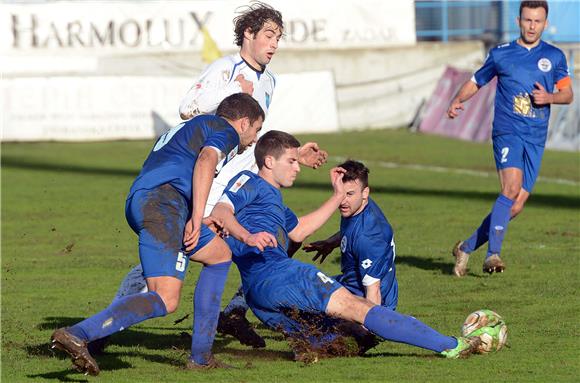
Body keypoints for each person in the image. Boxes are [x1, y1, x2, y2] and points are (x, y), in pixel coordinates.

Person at [110, 2, 327, 350]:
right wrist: (229, 92)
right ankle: (110, 323)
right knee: (172, 252)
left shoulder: (270, 81)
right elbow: (187, 109)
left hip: (242, 185)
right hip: (209, 181)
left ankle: (236, 311)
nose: (274, 44)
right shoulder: (225, 69)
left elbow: (252, 135)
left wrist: (292, 154)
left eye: (278, 37)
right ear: (248, 35)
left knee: (281, 236)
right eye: (268, 35)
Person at [211, 130, 498, 361]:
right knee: (359, 310)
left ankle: (320, 347)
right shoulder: (247, 181)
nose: (299, 168)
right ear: (270, 162)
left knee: (328, 338)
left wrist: (334, 203)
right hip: (282, 275)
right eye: (292, 161)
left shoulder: (274, 203)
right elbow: (221, 213)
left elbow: (298, 230)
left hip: (257, 296)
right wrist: (247, 237)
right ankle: (452, 345)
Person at [50, 93, 264, 375]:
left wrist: (197, 217)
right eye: (257, 130)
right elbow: (205, 161)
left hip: (151, 200)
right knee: (165, 298)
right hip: (163, 204)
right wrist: (197, 219)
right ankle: (78, 334)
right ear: (243, 123)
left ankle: (201, 357)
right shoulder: (224, 130)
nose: (255, 138)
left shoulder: (192, 127)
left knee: (219, 255)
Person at [447, 0, 573, 276]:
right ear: (518, 21)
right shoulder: (501, 54)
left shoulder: (554, 57)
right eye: (527, 20)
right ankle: (493, 255)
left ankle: (466, 248)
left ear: (545, 23)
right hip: (508, 131)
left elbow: (568, 94)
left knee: (515, 206)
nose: (532, 26)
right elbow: (476, 81)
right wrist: (457, 99)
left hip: (536, 137)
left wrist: (549, 97)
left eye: (537, 21)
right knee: (511, 187)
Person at [304, 160, 398, 310]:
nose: (342, 201)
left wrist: (369, 328)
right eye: (340, 193)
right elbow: (353, 232)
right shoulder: (357, 206)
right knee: (303, 286)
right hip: (350, 284)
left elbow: (373, 292)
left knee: (305, 312)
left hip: (362, 299)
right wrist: (331, 242)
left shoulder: (370, 237)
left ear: (365, 193)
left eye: (349, 194)